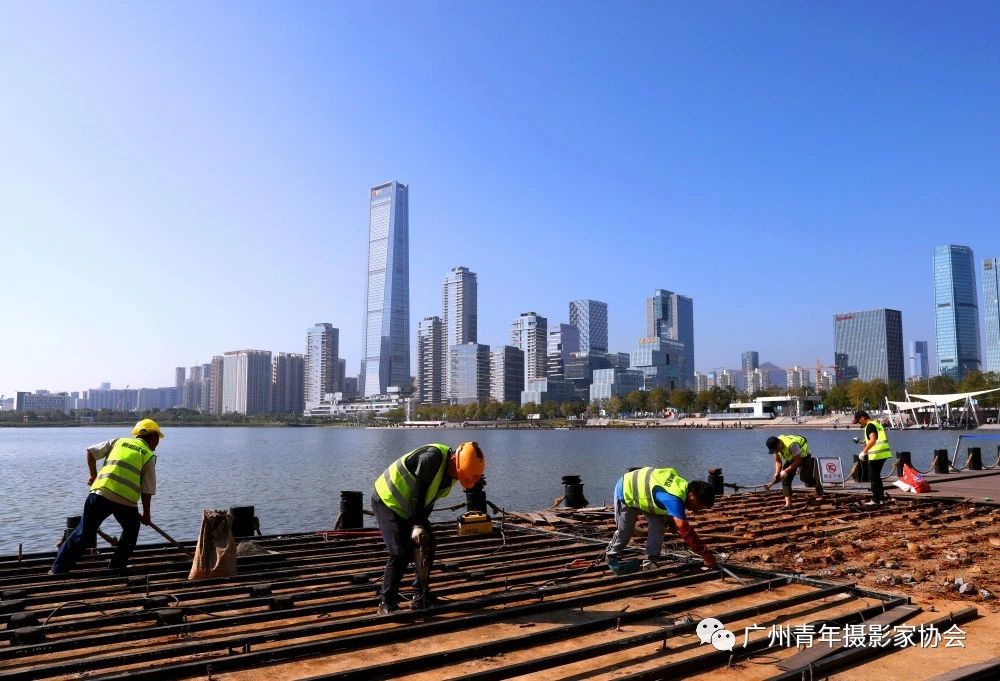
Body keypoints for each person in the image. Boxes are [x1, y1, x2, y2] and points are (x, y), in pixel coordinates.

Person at [372, 441, 486, 614]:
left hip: (410, 506)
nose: (458, 478)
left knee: (429, 543)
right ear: (454, 460)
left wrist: (475, 480)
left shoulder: (453, 472)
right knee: (400, 552)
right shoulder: (431, 458)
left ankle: (420, 595)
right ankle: (386, 602)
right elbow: (417, 493)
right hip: (387, 500)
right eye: (460, 474)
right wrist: (416, 525)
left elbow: (427, 498)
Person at [50, 418, 163, 576]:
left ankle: (57, 570)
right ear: (152, 437)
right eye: (157, 440)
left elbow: (90, 452)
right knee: (131, 532)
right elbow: (147, 490)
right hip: (125, 502)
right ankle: (116, 567)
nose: (157, 444)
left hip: (100, 494)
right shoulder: (148, 455)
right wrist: (146, 514)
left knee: (83, 533)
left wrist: (93, 475)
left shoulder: (118, 441)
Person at [605, 467, 717, 572]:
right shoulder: (674, 498)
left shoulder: (682, 487)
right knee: (625, 531)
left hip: (647, 496)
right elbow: (684, 527)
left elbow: (664, 500)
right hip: (627, 490)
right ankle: (611, 555)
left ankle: (650, 562)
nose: (697, 511)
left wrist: (670, 521)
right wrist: (705, 554)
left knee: (659, 527)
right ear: (692, 495)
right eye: (699, 506)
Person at [763, 434, 824, 507]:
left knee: (804, 477)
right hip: (792, 457)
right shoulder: (775, 448)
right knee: (785, 480)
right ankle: (788, 504)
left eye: (776, 450)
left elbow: (798, 461)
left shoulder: (792, 445)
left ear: (779, 443)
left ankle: (818, 487)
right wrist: (777, 472)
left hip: (804, 456)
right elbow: (778, 461)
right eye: (774, 451)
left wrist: (785, 471)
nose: (775, 451)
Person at [853, 410, 893, 506]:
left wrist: (863, 452)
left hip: (876, 454)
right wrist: (866, 443)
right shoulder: (876, 424)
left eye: (858, 421)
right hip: (883, 453)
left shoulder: (870, 425)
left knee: (873, 477)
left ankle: (875, 499)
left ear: (863, 418)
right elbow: (877, 438)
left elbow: (873, 439)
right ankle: (881, 498)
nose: (859, 423)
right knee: (876, 476)